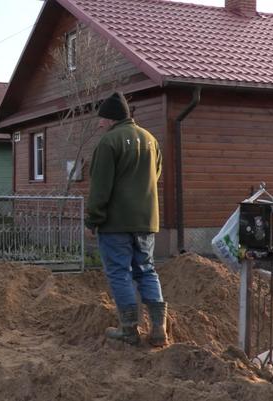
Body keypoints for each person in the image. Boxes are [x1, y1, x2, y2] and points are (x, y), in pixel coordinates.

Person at [86, 91, 167, 346]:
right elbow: (156, 175)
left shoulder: (109, 142)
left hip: (116, 223)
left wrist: (93, 218)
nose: (99, 123)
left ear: (111, 119)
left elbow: (100, 187)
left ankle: (129, 329)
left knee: (119, 272)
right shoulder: (151, 140)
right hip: (146, 220)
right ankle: (158, 329)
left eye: (102, 118)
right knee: (147, 270)